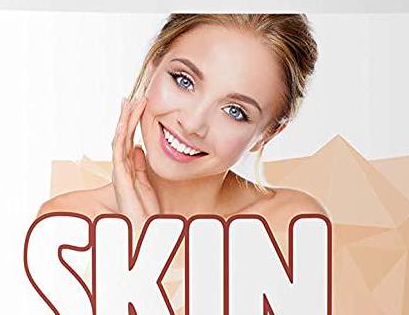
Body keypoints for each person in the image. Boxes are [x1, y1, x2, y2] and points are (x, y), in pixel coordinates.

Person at [39, 12, 323, 233]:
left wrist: (148, 243)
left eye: (234, 111)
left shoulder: (291, 226)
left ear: (267, 134)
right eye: (184, 81)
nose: (192, 124)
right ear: (153, 66)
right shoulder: (70, 222)